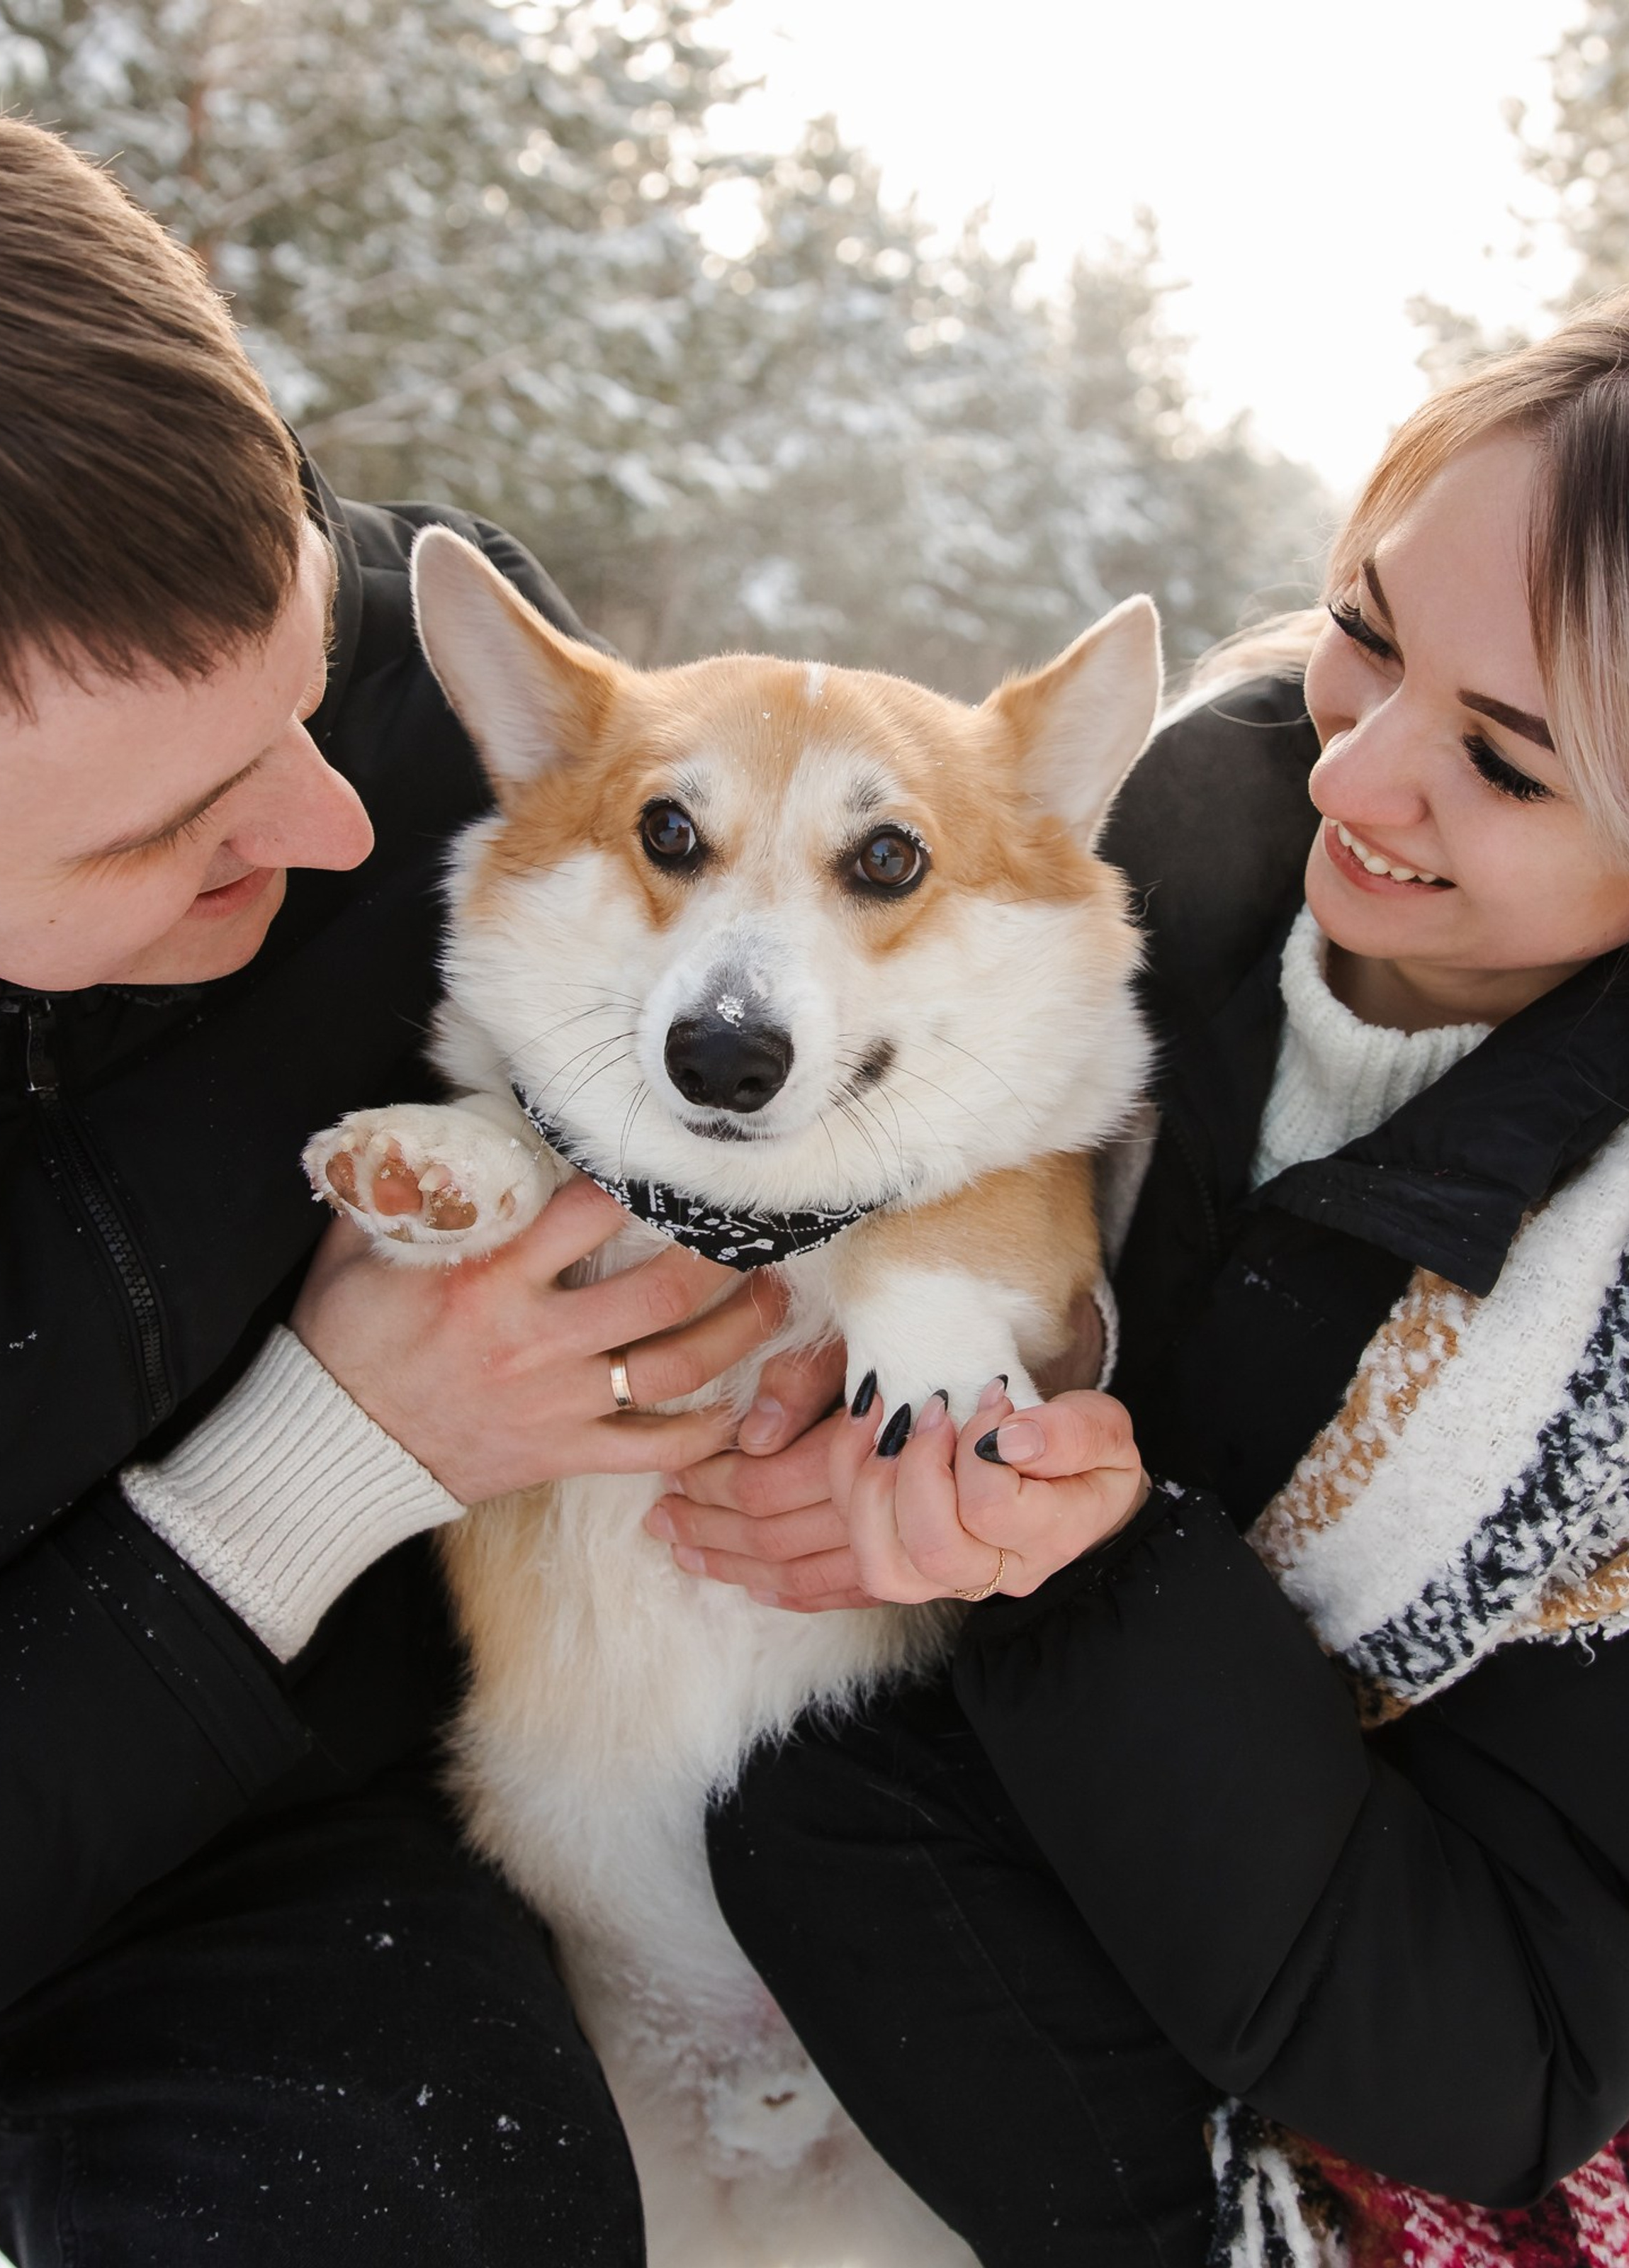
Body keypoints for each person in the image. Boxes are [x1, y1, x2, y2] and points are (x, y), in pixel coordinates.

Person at [0, 84, 838, 2267]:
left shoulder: (422, 702)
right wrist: (328, 1453)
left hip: (282, 1797)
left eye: (304, 671)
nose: (339, 828)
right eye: (164, 829)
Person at [670, 298, 1629, 2264]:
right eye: (1366, 632)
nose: (1354, 778)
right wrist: (834, 1392)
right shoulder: (1098, 867)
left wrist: (1080, 1578)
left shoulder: (1601, 1365)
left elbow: (1506, 2065)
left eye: (1509, 767)